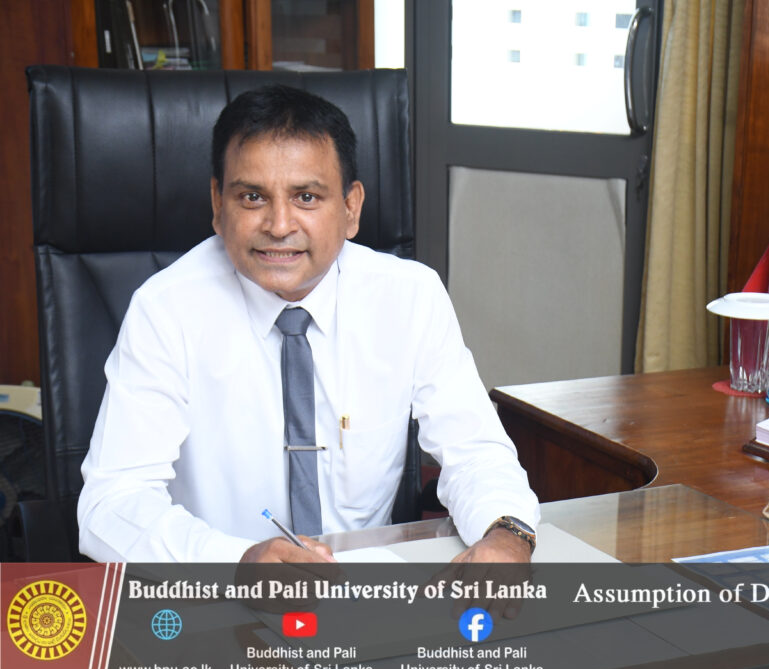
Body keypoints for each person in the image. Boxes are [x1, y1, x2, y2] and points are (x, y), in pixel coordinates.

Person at [77, 84, 539, 564]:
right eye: (252, 197)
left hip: (365, 589)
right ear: (217, 204)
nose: (279, 225)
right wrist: (236, 562)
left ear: (351, 208)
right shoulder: (165, 310)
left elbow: (475, 452)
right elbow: (110, 506)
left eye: (306, 197)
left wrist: (505, 533)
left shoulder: (410, 298)